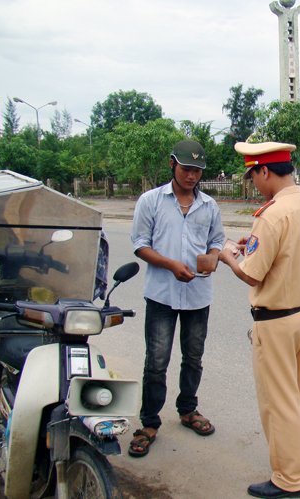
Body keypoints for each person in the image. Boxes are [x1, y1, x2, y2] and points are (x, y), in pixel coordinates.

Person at [219, 142, 300, 499]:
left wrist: (227, 256)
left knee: (279, 401)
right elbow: (286, 256)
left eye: (253, 177)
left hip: (276, 320)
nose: (253, 185)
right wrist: (250, 245)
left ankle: (288, 479)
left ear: (264, 171)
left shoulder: (273, 214)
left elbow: (251, 274)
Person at [129, 139, 225, 457]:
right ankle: (149, 422)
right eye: (186, 169)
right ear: (172, 164)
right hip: (161, 295)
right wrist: (170, 264)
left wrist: (213, 256)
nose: (192, 176)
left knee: (193, 358)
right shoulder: (151, 201)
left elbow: (217, 241)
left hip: (198, 295)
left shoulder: (209, 206)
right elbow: (140, 244)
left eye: (197, 171)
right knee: (156, 362)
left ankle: (188, 410)